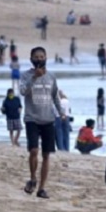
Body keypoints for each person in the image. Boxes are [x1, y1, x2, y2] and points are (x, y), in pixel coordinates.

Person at [20, 47, 65, 199]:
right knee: (33, 151)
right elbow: (22, 92)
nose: (39, 59)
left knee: (47, 155)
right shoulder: (26, 75)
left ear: (46, 58)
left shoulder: (52, 76)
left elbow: (55, 96)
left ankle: (42, 188)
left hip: (48, 119)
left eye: (42, 56)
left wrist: (61, 112)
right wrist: (34, 78)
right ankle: (33, 178)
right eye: (36, 57)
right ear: (31, 59)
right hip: (32, 118)